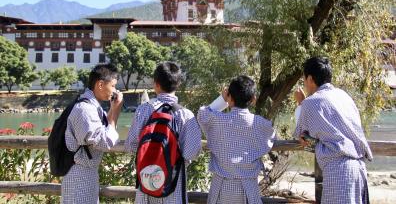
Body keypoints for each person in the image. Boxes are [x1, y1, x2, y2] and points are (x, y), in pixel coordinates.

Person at [294, 57, 372, 204]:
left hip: (339, 172)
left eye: (304, 79)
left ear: (310, 79)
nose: (304, 83)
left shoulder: (311, 103)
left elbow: (301, 135)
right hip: (359, 169)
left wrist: (301, 103)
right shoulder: (344, 96)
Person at [125, 61, 202, 203]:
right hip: (173, 186)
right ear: (178, 84)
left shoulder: (143, 110)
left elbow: (130, 146)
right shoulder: (185, 115)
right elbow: (191, 153)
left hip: (146, 185)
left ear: (156, 84)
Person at [197, 75, 276, 204]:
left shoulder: (218, 120)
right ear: (253, 99)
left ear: (229, 97)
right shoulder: (260, 123)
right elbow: (272, 136)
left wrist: (222, 100)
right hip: (248, 189)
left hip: (220, 188)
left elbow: (202, 114)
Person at [61, 64, 123, 204]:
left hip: (84, 175)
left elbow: (101, 130)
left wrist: (112, 110)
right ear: (100, 84)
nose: (115, 90)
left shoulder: (90, 105)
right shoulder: (85, 109)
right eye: (113, 86)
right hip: (79, 177)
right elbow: (104, 142)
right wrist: (116, 112)